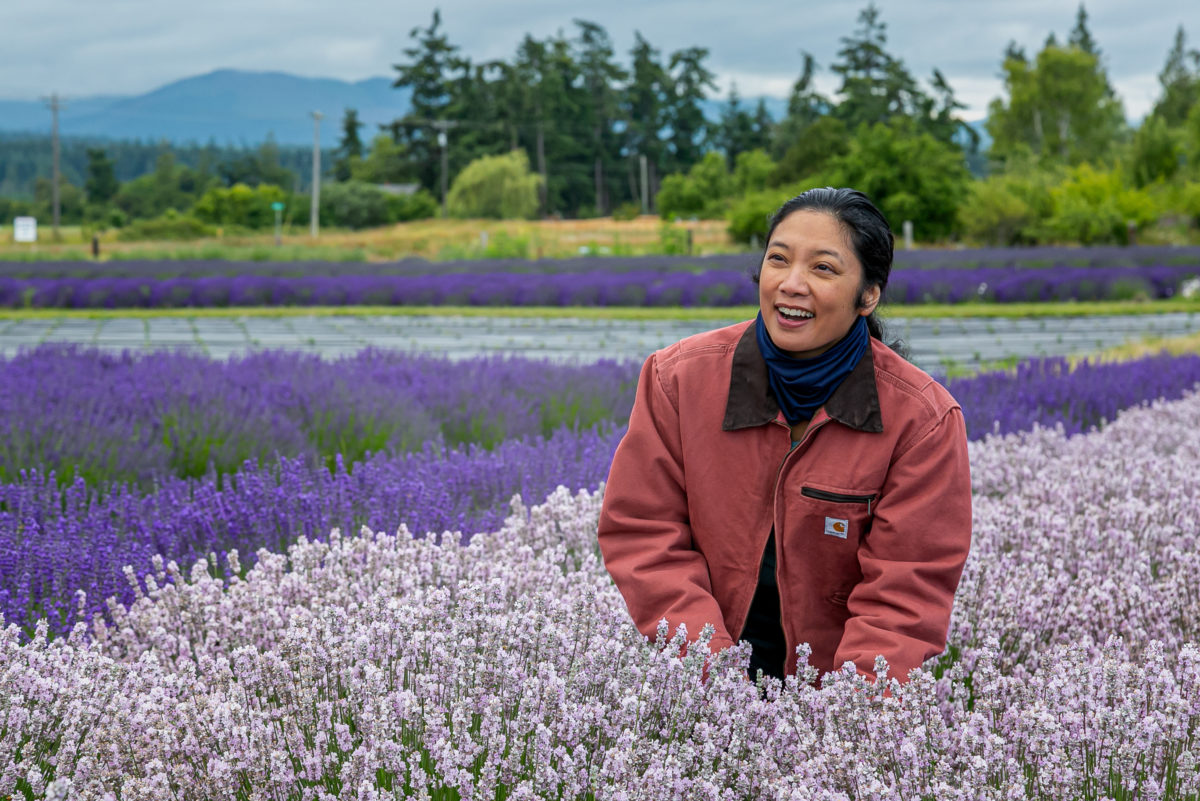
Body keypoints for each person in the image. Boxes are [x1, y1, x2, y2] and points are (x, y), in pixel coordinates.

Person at [596, 187, 972, 684]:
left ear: (869, 294)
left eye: (823, 268)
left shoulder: (921, 420)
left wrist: (845, 725)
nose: (792, 284)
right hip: (702, 697)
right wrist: (714, 681)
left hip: (836, 715)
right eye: (778, 260)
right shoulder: (679, 380)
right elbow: (645, 535)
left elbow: (905, 590)